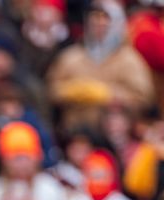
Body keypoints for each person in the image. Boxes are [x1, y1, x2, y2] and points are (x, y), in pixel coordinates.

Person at [46, 0, 155, 129]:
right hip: (75, 134)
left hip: (115, 134)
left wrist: (109, 94)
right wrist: (71, 91)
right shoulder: (71, 57)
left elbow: (144, 98)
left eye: (104, 24)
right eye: (94, 24)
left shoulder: (129, 60)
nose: (98, 29)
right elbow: (50, 89)